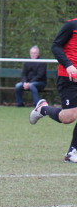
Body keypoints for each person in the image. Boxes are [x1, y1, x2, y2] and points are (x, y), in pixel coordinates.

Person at [29, 16, 77, 163]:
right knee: (68, 118)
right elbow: (55, 46)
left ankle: (72, 152)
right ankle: (42, 108)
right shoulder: (71, 26)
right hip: (68, 77)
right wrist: (68, 65)